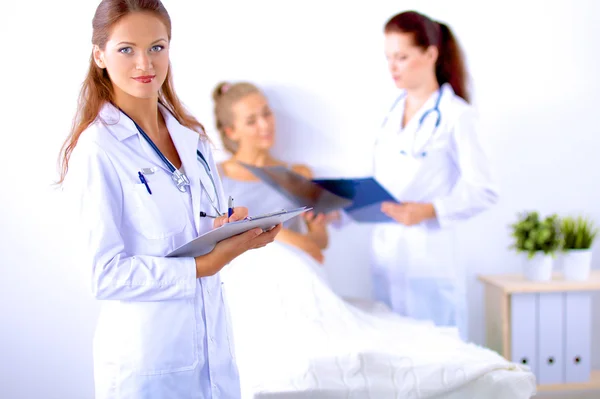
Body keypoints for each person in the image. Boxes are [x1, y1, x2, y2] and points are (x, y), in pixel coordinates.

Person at [57, 1, 281, 398]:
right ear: (99, 56)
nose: (145, 63)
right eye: (127, 49)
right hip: (148, 362)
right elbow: (104, 274)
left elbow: (192, 224)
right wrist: (203, 266)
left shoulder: (189, 137)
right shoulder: (97, 150)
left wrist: (224, 229)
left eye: (157, 47)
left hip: (212, 349)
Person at [371, 10, 499, 340]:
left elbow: (483, 190)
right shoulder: (390, 114)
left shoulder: (458, 116)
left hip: (431, 260)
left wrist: (428, 210)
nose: (392, 67)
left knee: (440, 369)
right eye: (388, 57)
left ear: (430, 54)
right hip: (388, 256)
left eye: (402, 57)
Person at [212, 81, 331, 265]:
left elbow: (320, 242)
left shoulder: (299, 173)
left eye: (266, 113)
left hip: (291, 268)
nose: (265, 125)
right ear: (231, 132)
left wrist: (294, 236)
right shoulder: (216, 175)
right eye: (251, 121)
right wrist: (278, 234)